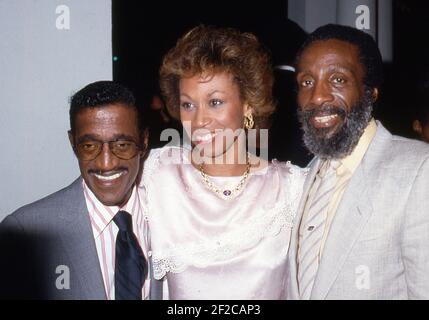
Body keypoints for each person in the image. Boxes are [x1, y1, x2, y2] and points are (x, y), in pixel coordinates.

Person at [139, 25, 307, 299]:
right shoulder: (157, 174)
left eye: (215, 102)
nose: (199, 120)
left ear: (248, 105)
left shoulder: (291, 189)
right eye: (188, 105)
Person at [286, 24, 429, 300]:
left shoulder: (418, 171)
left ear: (370, 92)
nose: (317, 96)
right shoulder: (304, 176)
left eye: (338, 79)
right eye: (306, 81)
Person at [0, 81, 162, 299]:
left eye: (122, 145)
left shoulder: (178, 212)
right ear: (73, 143)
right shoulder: (24, 233)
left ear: (143, 141)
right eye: (89, 146)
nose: (107, 163)